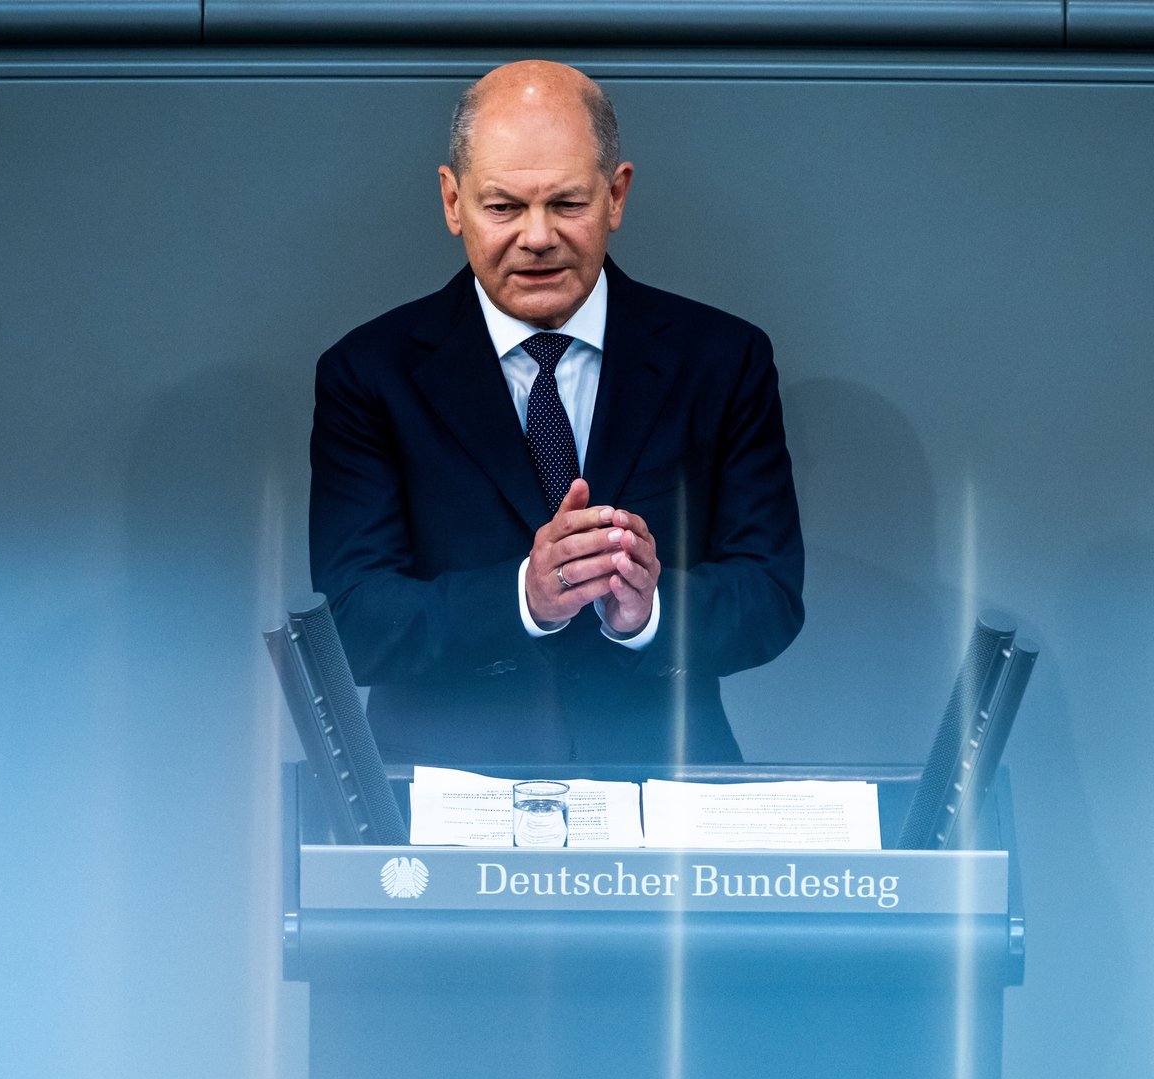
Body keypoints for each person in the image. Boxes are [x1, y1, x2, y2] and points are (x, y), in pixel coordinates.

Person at [309, 60, 802, 765]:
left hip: (664, 796)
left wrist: (651, 611)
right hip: (446, 802)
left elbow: (770, 594)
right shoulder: (369, 373)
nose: (537, 237)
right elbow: (354, 622)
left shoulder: (723, 359)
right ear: (453, 202)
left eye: (567, 204)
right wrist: (525, 597)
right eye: (504, 207)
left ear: (616, 195)